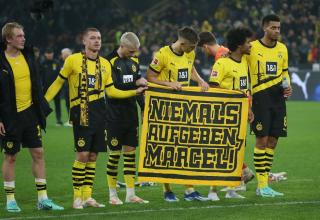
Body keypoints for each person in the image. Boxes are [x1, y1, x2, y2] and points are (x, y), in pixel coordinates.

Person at [45, 27, 146, 209]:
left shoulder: (104, 64)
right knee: (82, 155)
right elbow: (58, 82)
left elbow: (112, 91)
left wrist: (134, 91)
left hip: (101, 112)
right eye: (92, 38)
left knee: (93, 156)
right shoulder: (73, 60)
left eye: (99, 38)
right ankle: (77, 198)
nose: (97, 41)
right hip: (81, 112)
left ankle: (88, 196)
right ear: (84, 41)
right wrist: (43, 104)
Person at [0, 22, 63, 212]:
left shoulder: (28, 56)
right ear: (8, 39)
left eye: (23, 35)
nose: (23, 38)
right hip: (10, 117)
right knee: (11, 157)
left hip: (30, 114)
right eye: (19, 36)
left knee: (39, 153)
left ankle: (43, 199)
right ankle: (11, 200)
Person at [146, 26, 209, 202]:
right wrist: (169, 84)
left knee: (187, 148)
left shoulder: (189, 53)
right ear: (182, 43)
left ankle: (190, 190)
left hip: (185, 107)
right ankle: (167, 190)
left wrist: (201, 80)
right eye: (191, 46)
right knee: (167, 149)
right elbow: (150, 77)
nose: (193, 50)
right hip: (166, 108)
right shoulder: (162, 55)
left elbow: (190, 69)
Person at [203, 27, 254, 200]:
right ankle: (212, 192)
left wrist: (248, 109)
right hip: (224, 115)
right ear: (240, 45)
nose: (251, 45)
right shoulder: (222, 63)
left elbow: (244, 89)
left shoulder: (245, 63)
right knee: (221, 152)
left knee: (236, 152)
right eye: (248, 42)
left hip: (240, 116)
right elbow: (214, 86)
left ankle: (232, 190)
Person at [247, 14, 292, 197]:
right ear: (265, 27)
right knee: (262, 140)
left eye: (279, 28)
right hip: (260, 99)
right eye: (273, 28)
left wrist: (288, 86)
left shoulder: (283, 48)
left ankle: (264, 185)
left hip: (278, 100)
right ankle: (262, 185)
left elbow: (284, 72)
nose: (277, 31)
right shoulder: (252, 48)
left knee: (273, 141)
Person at [105, 32, 148, 205]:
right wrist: (135, 84)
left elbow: (139, 87)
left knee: (130, 155)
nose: (134, 55)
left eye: (135, 51)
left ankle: (130, 194)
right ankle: (112, 195)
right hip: (114, 116)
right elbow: (114, 89)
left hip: (130, 116)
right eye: (131, 51)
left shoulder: (134, 62)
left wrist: (144, 108)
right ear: (122, 46)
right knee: (114, 156)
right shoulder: (108, 62)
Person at [41, 47, 62, 126]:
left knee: (58, 104)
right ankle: (43, 119)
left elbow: (60, 75)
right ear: (45, 54)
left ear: (53, 54)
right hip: (46, 88)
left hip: (56, 88)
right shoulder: (43, 64)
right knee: (44, 105)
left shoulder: (56, 63)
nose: (49, 55)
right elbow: (40, 76)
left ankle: (58, 120)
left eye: (51, 53)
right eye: (48, 53)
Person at [60, 48, 72, 127]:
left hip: (73, 88)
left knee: (74, 104)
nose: (64, 56)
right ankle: (70, 120)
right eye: (63, 55)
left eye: (66, 54)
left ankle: (74, 120)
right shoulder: (62, 64)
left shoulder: (73, 62)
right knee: (68, 104)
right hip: (66, 87)